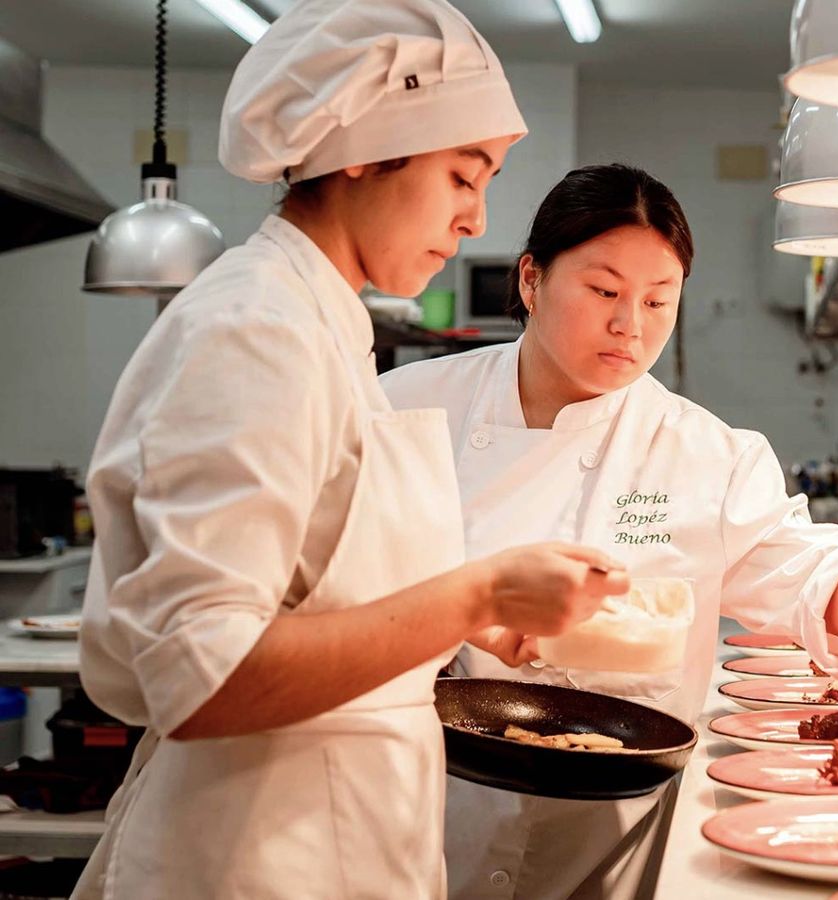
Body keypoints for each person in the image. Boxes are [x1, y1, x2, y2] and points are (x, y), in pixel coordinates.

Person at [71, 3, 626, 898]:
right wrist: (472, 591)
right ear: (366, 150)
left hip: (330, 839)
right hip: (255, 856)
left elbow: (305, 584)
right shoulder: (256, 329)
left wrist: (466, 619)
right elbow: (204, 676)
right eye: (462, 176)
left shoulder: (321, 321)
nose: (477, 220)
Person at [380, 163, 838, 899]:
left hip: (610, 843)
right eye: (604, 292)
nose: (631, 325)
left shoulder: (707, 453)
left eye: (659, 300)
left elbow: (804, 571)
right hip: (422, 818)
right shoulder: (407, 411)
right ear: (531, 280)